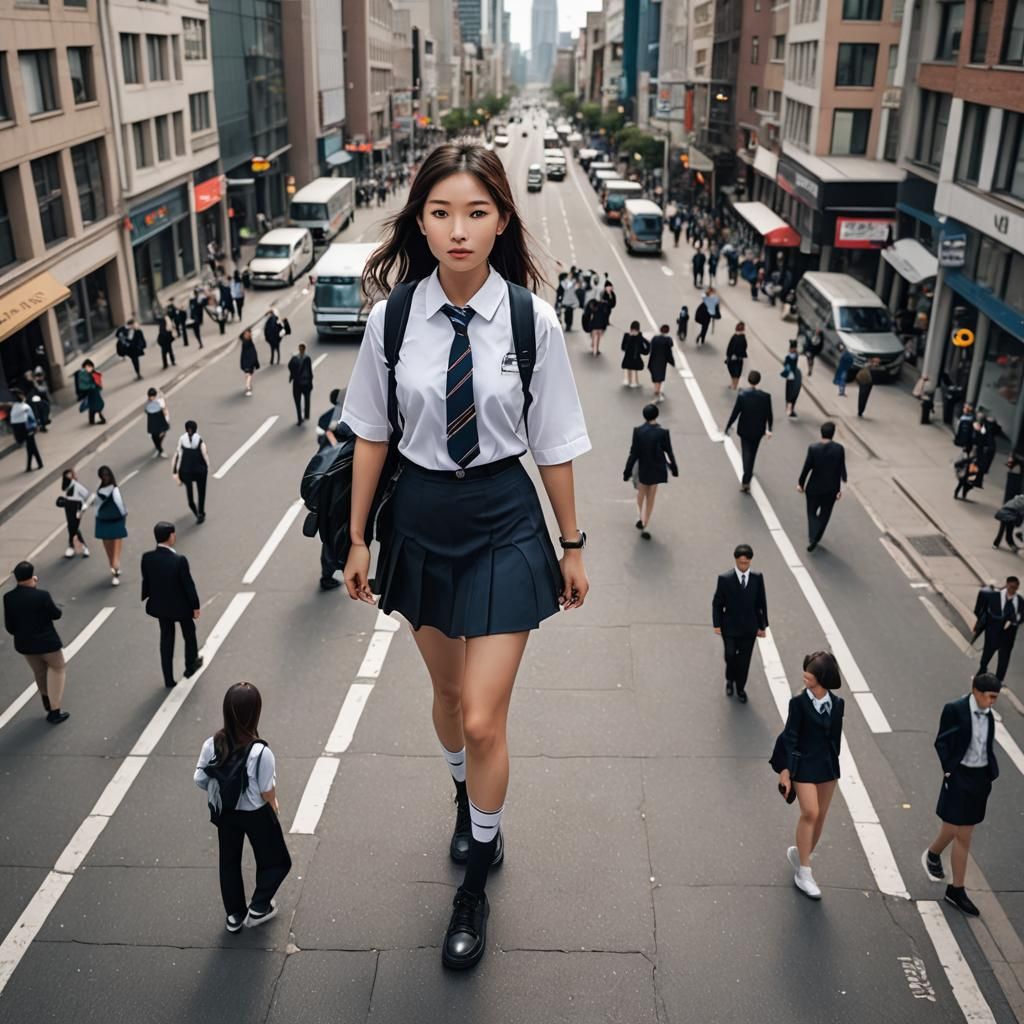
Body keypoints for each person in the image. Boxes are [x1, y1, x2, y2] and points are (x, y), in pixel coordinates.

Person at [341, 140, 591, 971]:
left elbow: (554, 442)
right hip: (419, 514)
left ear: (501, 221)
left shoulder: (531, 320)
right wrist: (357, 537)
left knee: (484, 716)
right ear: (419, 220)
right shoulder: (391, 321)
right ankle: (466, 798)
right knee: (447, 697)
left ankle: (475, 883)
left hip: (502, 518)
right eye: (441, 212)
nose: (458, 230)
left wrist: (572, 545)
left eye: (476, 213)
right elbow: (370, 433)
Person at [194, 682, 292, 932]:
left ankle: (234, 915)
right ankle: (259, 907)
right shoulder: (260, 751)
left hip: (226, 813)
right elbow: (266, 790)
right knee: (275, 860)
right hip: (256, 813)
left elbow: (200, 778)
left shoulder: (212, 744)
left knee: (229, 861)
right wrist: (274, 804)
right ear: (255, 713)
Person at [922, 674, 1001, 917]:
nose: (992, 702)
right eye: (990, 697)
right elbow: (941, 741)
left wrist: (988, 775)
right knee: (953, 827)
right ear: (976, 691)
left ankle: (955, 890)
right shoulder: (955, 709)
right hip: (959, 775)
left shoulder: (988, 714)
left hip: (980, 778)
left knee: (964, 834)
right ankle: (934, 855)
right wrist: (949, 771)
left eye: (995, 698)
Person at [773, 651, 845, 900]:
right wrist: (786, 771)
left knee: (820, 817)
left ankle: (801, 854)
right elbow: (789, 737)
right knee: (810, 813)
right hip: (803, 765)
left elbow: (835, 738)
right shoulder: (798, 703)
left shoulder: (838, 704)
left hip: (827, 767)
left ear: (823, 677)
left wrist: (834, 762)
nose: (805, 676)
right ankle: (804, 873)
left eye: (810, 673)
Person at [3, 562, 69, 723]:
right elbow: (56, 614)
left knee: (39, 672)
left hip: (25, 645)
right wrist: (35, 588)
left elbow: (10, 626)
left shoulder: (8, 598)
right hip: (48, 643)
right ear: (32, 576)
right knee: (57, 669)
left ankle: (46, 698)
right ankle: (55, 710)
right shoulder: (42, 596)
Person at [141, 521, 202, 688]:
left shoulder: (147, 558)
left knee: (166, 639)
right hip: (181, 607)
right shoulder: (179, 560)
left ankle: (168, 678)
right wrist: (195, 606)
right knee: (189, 634)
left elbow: (147, 581)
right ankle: (190, 665)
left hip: (161, 606)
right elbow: (188, 585)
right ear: (170, 536)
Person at [711, 543, 769, 704]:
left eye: (746, 562)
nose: (743, 566)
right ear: (736, 560)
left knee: (744, 661)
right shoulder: (725, 579)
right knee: (730, 655)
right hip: (729, 627)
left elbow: (761, 603)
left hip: (749, 628)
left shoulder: (757, 578)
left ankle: (740, 687)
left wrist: (762, 626)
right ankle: (730, 679)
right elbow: (717, 603)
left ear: (750, 561)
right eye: (741, 562)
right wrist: (717, 624)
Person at [623, 403, 678, 539]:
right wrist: (674, 468)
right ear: (656, 415)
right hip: (657, 468)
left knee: (641, 492)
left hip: (643, 467)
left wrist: (627, 471)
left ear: (644, 415)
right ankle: (646, 524)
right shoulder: (663, 433)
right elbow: (669, 452)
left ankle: (639, 516)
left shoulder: (638, 431)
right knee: (651, 497)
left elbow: (633, 454)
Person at [798, 421, 847, 552]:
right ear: (833, 434)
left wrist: (801, 483)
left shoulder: (813, 448)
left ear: (821, 433)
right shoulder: (839, 449)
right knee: (825, 515)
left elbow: (807, 468)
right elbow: (842, 470)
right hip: (831, 489)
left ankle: (812, 536)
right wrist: (841, 489)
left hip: (814, 488)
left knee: (811, 512)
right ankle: (817, 536)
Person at [724, 369, 773, 493]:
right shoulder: (766, 397)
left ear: (748, 380)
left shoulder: (742, 395)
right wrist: (769, 429)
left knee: (746, 453)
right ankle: (749, 473)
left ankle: (746, 479)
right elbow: (769, 415)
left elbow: (735, 413)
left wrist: (728, 426)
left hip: (745, 430)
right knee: (753, 452)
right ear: (759, 381)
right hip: (758, 431)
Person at [974, 577, 1023, 681]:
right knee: (986, 655)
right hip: (993, 633)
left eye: (1015, 588)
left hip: (1008, 635)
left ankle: (999, 679)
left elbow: (1021, 616)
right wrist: (981, 620)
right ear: (1007, 584)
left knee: (1004, 658)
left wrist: (1015, 621)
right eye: (1011, 586)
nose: (1013, 589)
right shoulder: (994, 596)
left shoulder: (1019, 600)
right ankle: (982, 671)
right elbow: (981, 608)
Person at [172, 421, 210, 523]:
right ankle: (201, 512)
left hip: (186, 471)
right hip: (200, 471)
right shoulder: (200, 440)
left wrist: (175, 471)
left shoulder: (182, 439)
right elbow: (205, 455)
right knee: (201, 492)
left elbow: (178, 454)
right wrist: (207, 466)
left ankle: (195, 511)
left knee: (190, 494)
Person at [94, 465, 126, 586]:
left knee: (110, 552)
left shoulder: (99, 491)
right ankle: (115, 571)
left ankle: (114, 570)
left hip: (103, 522)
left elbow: (97, 508)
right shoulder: (114, 489)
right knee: (115, 551)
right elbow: (120, 505)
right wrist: (124, 516)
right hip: (116, 521)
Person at [59, 469, 91, 558]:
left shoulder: (77, 485)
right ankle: (74, 546)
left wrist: (83, 505)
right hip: (68, 506)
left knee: (74, 527)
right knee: (71, 526)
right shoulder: (67, 486)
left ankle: (80, 546)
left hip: (77, 507)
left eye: (71, 475)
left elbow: (86, 494)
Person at [8, 391, 43, 471]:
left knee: (31, 447)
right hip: (27, 429)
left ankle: (31, 466)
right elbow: (31, 417)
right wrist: (36, 427)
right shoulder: (24, 407)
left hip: (23, 429)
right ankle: (37, 464)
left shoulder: (15, 407)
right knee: (32, 447)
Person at [287, 343, 314, 425]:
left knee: (298, 401)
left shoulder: (295, 358)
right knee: (306, 399)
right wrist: (311, 381)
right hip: (306, 382)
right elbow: (310, 371)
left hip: (298, 383)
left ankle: (300, 418)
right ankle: (305, 415)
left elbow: (290, 366)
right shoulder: (307, 358)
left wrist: (292, 375)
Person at [647, 324, 675, 402]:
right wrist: (672, 362)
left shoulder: (655, 338)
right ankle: (657, 392)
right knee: (660, 377)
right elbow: (669, 351)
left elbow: (650, 348)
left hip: (654, 359)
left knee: (655, 376)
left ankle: (656, 390)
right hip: (662, 361)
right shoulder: (668, 340)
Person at [74, 360, 106, 425]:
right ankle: (99, 419)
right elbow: (83, 385)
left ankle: (93, 419)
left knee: (94, 406)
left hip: (93, 392)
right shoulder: (83, 374)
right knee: (95, 406)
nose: (89, 368)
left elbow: (97, 382)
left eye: (90, 366)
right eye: (87, 367)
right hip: (90, 392)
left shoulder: (92, 373)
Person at [621, 320, 649, 389]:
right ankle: (634, 382)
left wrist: (630, 337)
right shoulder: (638, 338)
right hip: (635, 358)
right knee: (634, 369)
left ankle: (629, 380)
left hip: (628, 358)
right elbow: (645, 349)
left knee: (629, 368)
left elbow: (623, 347)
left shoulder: (628, 336)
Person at [144, 388, 170, 458]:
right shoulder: (147, 403)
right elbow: (146, 411)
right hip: (152, 420)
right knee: (154, 435)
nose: (151, 398)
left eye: (152, 396)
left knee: (163, 433)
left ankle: (158, 447)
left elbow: (164, 410)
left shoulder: (159, 401)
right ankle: (160, 450)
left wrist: (166, 418)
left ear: (155, 396)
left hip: (160, 418)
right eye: (150, 396)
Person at [781, 339, 802, 417]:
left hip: (791, 376)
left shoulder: (790, 356)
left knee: (790, 393)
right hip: (793, 376)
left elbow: (786, 365)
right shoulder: (794, 355)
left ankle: (789, 409)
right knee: (792, 393)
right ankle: (789, 410)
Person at [725, 323, 747, 389]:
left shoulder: (734, 336)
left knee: (732, 372)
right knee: (737, 373)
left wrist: (729, 356)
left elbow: (729, 347)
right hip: (738, 359)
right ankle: (734, 385)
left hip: (732, 358)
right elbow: (744, 348)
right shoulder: (743, 338)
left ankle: (733, 384)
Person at [240, 328, 260, 396]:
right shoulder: (250, 343)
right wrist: (255, 362)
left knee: (247, 374)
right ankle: (248, 388)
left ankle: (249, 385)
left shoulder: (244, 342)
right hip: (250, 363)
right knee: (249, 375)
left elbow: (243, 354)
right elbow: (254, 353)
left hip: (244, 362)